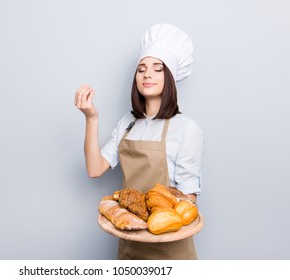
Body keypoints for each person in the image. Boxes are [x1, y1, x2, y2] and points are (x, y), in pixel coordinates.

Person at [74, 23, 204, 260]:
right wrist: (91, 118)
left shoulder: (186, 129)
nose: (147, 74)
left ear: (171, 78)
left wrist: (157, 220)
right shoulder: (127, 123)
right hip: (130, 243)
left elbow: (189, 200)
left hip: (171, 247)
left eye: (157, 69)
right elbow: (94, 169)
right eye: (141, 68)